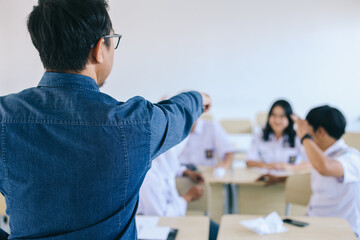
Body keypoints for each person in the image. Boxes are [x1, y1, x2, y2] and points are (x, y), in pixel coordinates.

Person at [0, 0, 211, 239]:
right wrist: (198, 98)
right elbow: (178, 114)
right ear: (99, 48)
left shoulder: (4, 117)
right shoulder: (136, 123)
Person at [259, 106, 360, 239]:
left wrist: (304, 136)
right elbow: (318, 174)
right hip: (313, 224)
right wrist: (280, 179)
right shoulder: (322, 154)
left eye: (308, 131)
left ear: (321, 132)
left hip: (341, 232)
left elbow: (325, 168)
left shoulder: (351, 157)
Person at [138, 145, 219, 240]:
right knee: (212, 231)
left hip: (173, 219)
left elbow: (171, 168)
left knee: (215, 229)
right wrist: (188, 197)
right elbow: (162, 218)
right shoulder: (149, 177)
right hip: (159, 228)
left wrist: (186, 172)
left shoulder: (160, 162)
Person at [246, 99, 308, 170]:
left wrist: (290, 167)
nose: (277, 120)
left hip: (291, 178)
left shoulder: (297, 136)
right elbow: (249, 161)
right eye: (274, 115)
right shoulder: (260, 135)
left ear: (289, 118)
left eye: (282, 116)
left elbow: (311, 163)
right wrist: (269, 166)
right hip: (267, 176)